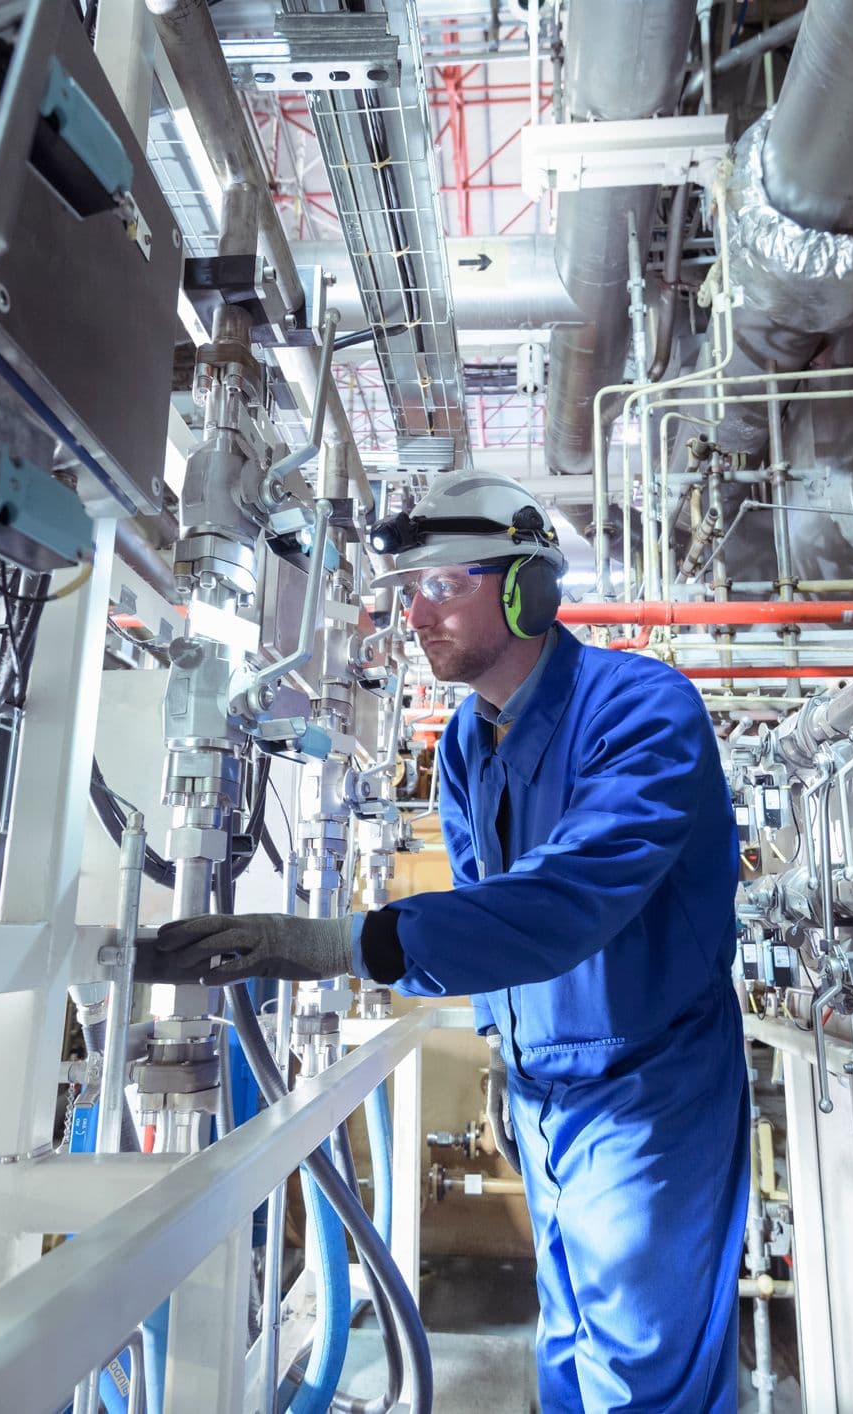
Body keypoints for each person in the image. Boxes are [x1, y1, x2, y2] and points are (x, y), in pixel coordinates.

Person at [140, 470, 748, 1413]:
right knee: (569, 1344)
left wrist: (336, 943)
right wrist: (507, 1055)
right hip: (542, 1084)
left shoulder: (639, 707)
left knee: (638, 1367)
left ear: (527, 589)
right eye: (408, 592)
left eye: (443, 585)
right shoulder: (468, 741)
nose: (417, 616)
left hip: (648, 1088)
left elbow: (563, 901)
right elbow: (484, 908)